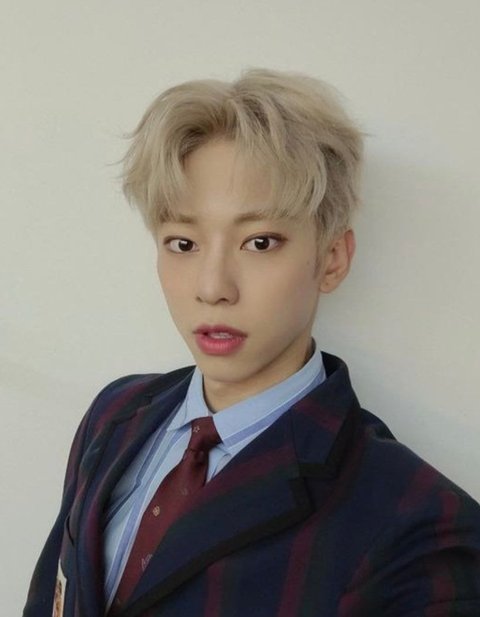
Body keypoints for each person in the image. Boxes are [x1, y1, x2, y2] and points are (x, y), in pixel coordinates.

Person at [24, 68, 480, 617]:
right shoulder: (116, 413)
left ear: (332, 258)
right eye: (183, 243)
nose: (213, 287)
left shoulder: (417, 523)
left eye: (260, 242)